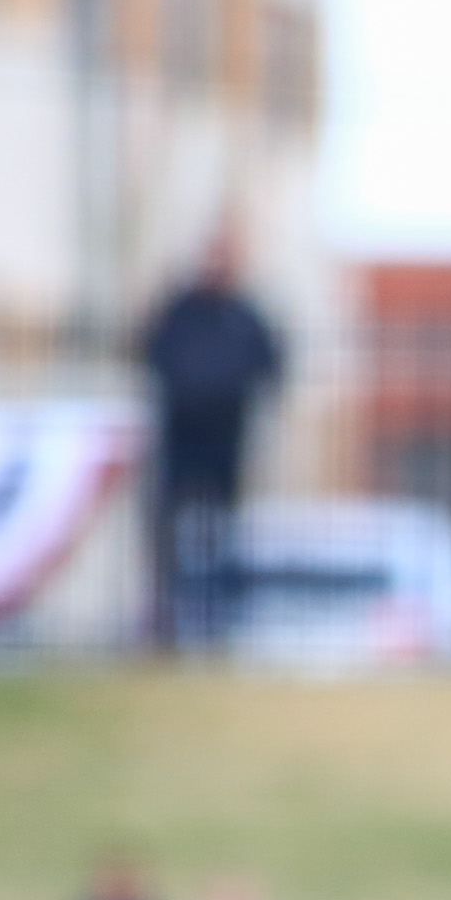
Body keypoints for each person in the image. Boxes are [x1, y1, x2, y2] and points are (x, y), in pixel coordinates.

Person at [136, 230, 284, 651]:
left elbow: (272, 366)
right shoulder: (180, 311)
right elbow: (153, 355)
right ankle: (165, 626)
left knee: (224, 539)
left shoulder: (244, 315)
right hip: (181, 442)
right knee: (168, 536)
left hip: (226, 446)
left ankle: (220, 626)